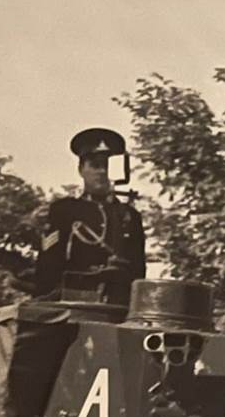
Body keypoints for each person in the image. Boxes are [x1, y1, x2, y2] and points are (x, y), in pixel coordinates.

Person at [33, 127, 147, 304]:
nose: (102, 172)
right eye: (95, 165)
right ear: (81, 170)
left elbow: (139, 272)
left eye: (107, 166)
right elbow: (49, 265)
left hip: (118, 306)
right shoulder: (64, 210)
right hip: (71, 304)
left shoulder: (129, 216)